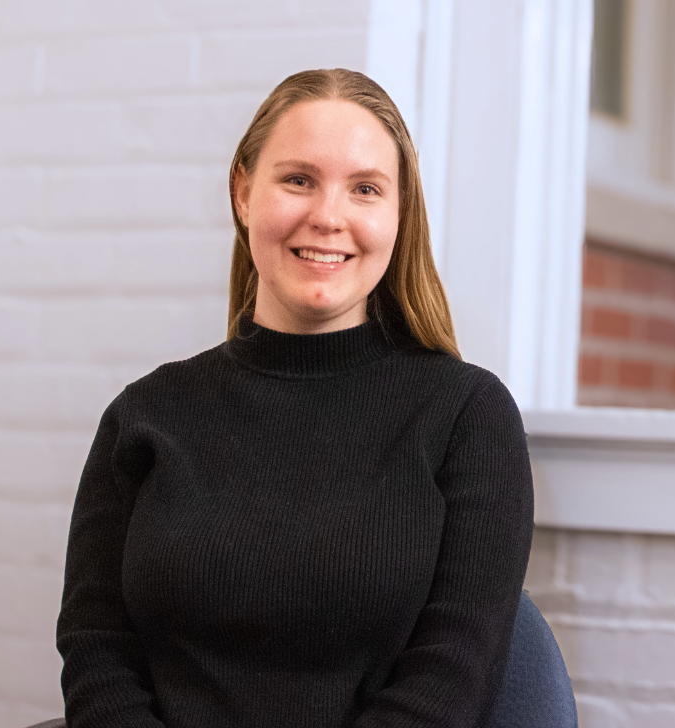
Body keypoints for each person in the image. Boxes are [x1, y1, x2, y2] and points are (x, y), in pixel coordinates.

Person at [56, 69, 537, 728]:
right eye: (298, 180)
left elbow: (452, 678)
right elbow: (96, 653)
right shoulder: (146, 416)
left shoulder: (465, 416)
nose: (328, 216)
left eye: (365, 189)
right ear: (243, 193)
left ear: (398, 216)